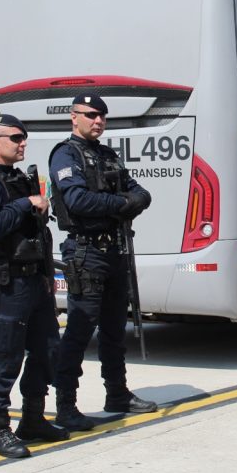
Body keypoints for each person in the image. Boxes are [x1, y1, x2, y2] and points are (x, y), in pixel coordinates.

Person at [0, 114, 69, 459]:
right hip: (6, 282)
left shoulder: (17, 178)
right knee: (4, 356)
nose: (23, 143)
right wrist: (25, 203)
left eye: (24, 137)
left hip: (34, 278)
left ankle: (33, 418)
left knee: (48, 350)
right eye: (16, 138)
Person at [49, 95, 157, 430]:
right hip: (85, 252)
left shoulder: (107, 155)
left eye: (102, 116)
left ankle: (118, 394)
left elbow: (142, 194)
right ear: (74, 117)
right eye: (91, 115)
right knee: (80, 331)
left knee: (114, 330)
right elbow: (78, 200)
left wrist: (118, 202)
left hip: (115, 251)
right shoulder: (66, 154)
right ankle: (66, 405)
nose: (98, 121)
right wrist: (121, 204)